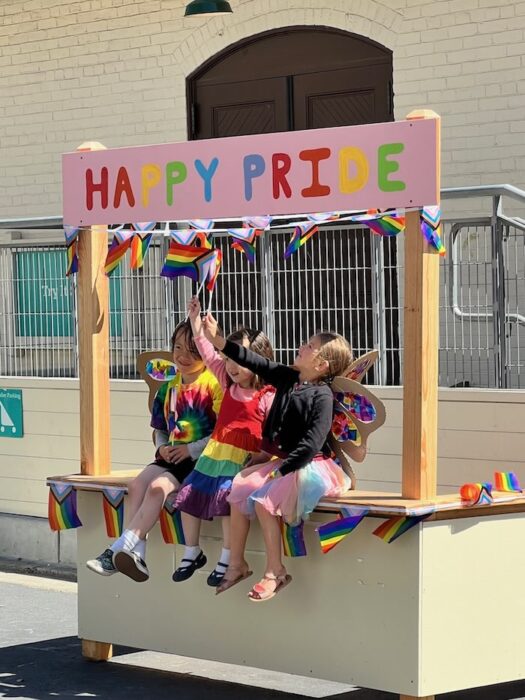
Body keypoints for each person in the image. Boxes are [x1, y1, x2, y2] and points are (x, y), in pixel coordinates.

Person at [202, 313, 353, 602]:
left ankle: (275, 571)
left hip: (308, 465)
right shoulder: (288, 377)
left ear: (321, 365)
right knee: (240, 487)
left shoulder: (321, 396)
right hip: (284, 461)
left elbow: (312, 443)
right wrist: (216, 340)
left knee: (264, 501)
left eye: (310, 346)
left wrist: (281, 471)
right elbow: (254, 361)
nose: (303, 346)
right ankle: (237, 563)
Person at [86, 319, 222, 582]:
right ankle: (138, 554)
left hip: (200, 461)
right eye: (178, 347)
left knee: (158, 487)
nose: (183, 356)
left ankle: (119, 549)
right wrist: (162, 447)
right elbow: (160, 429)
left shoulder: (214, 385)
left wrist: (190, 450)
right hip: (171, 457)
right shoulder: (168, 387)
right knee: (138, 485)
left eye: (192, 350)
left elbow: (220, 434)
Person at [173, 297, 274, 587]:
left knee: (231, 502)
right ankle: (192, 551)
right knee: (189, 494)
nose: (231, 365)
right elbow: (207, 351)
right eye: (229, 358)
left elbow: (272, 432)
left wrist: (264, 457)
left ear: (258, 359)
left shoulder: (267, 394)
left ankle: (228, 556)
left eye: (240, 359)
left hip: (242, 461)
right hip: (214, 456)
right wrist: (196, 324)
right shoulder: (227, 383)